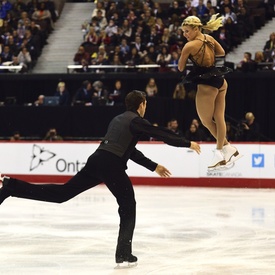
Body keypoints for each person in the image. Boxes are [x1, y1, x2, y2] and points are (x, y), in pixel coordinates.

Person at [0, 90, 201, 268]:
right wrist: (186, 143)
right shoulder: (137, 121)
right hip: (111, 165)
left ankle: (11, 186)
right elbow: (160, 133)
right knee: (128, 205)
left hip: (96, 161)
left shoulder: (118, 119)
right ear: (141, 104)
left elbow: (130, 150)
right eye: (145, 104)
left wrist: (153, 166)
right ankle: (123, 253)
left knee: (62, 194)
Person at [178, 14, 239, 170]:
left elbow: (180, 67)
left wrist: (190, 55)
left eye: (187, 31)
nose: (185, 35)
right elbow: (221, 52)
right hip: (220, 80)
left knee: (206, 121)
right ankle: (227, 148)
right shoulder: (209, 38)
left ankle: (220, 152)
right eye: (183, 32)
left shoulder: (189, 46)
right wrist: (207, 53)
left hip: (206, 84)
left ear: (196, 28)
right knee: (218, 116)